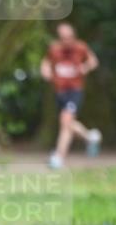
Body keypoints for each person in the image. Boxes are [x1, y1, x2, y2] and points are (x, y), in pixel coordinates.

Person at [40, 22, 101, 169]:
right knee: (68, 123)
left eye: (69, 37)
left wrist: (84, 68)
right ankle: (90, 137)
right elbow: (45, 63)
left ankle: (58, 157)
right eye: (63, 37)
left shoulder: (81, 47)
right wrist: (46, 71)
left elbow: (93, 61)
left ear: (73, 36)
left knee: (65, 120)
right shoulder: (54, 49)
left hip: (75, 90)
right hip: (60, 91)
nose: (66, 40)